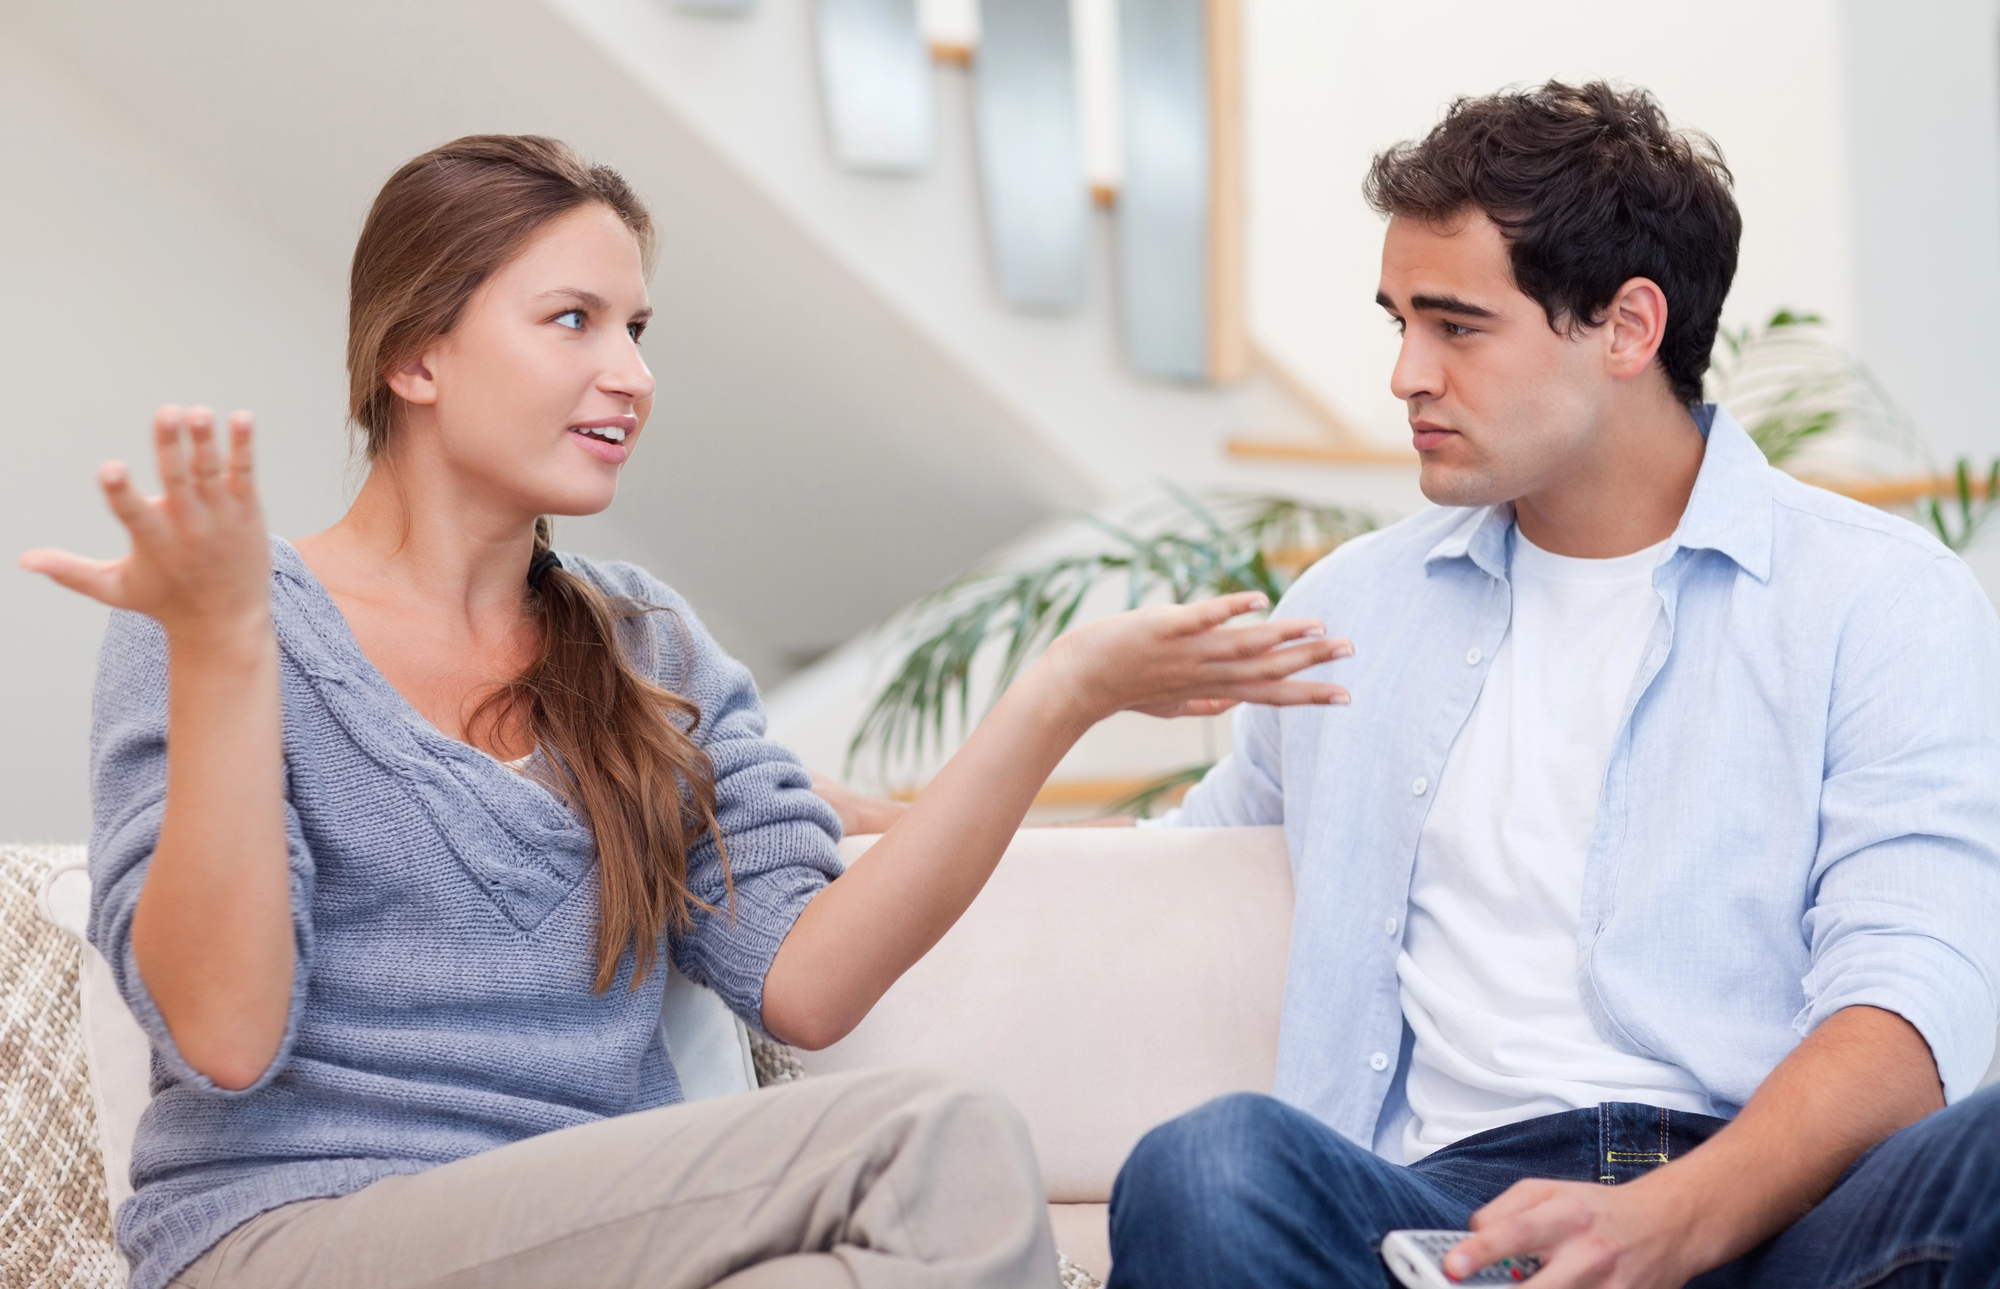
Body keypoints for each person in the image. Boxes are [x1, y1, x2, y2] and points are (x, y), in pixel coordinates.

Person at [17, 134, 1349, 1289]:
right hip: (292, 1237)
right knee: (935, 1139)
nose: (631, 374)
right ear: (419, 356)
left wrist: (1060, 697)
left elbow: (809, 984)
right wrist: (226, 658)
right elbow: (227, 1036)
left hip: (607, 1232)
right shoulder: (221, 622)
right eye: (572, 322)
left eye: (637, 331)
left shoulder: (646, 644)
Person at [1101, 83, 2000, 1287]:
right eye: (1397, 324)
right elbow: (1167, 864)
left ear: (1627, 328)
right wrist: (869, 811)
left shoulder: (1878, 599)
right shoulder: (1352, 607)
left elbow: (1908, 1004)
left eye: (1455, 326)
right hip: (1449, 1217)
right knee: (1211, 1165)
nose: (1405, 375)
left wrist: (1675, 1218)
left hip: (1781, 1206)